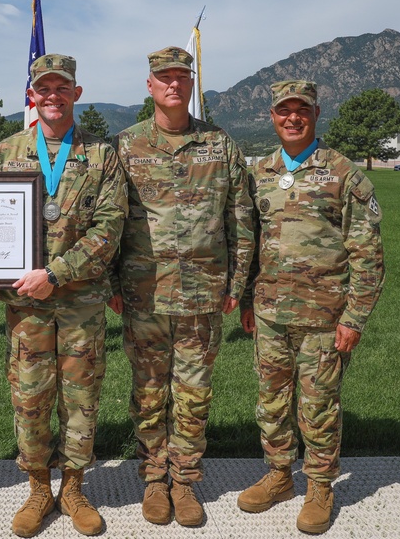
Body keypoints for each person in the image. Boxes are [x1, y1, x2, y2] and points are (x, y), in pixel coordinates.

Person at [110, 46, 254, 527]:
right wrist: (112, 283)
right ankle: (154, 478)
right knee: (149, 390)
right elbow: (108, 223)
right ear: (149, 85)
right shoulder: (125, 146)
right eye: (163, 77)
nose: (173, 84)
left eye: (181, 77)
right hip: (143, 293)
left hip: (202, 294)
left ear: (192, 85)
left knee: (193, 394)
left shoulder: (220, 144)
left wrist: (237, 280)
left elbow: (240, 217)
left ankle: (185, 481)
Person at [0, 53, 127, 537]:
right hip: (26, 307)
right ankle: (38, 488)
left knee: (81, 398)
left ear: (76, 93)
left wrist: (57, 272)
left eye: (60, 87)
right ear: (32, 95)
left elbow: (109, 229)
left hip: (81, 302)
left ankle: (73, 487)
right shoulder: (5, 152)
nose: (51, 96)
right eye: (43, 88)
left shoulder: (103, 156)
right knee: (30, 397)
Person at [238, 80, 384, 535]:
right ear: (272, 115)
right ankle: (281, 475)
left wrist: (355, 317)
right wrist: (245, 299)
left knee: (318, 404)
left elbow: (367, 253)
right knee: (271, 402)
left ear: (317, 114)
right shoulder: (258, 172)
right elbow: (248, 241)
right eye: (285, 110)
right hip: (268, 314)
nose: (293, 118)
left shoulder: (344, 173)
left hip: (325, 318)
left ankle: (320, 485)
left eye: (302, 110)